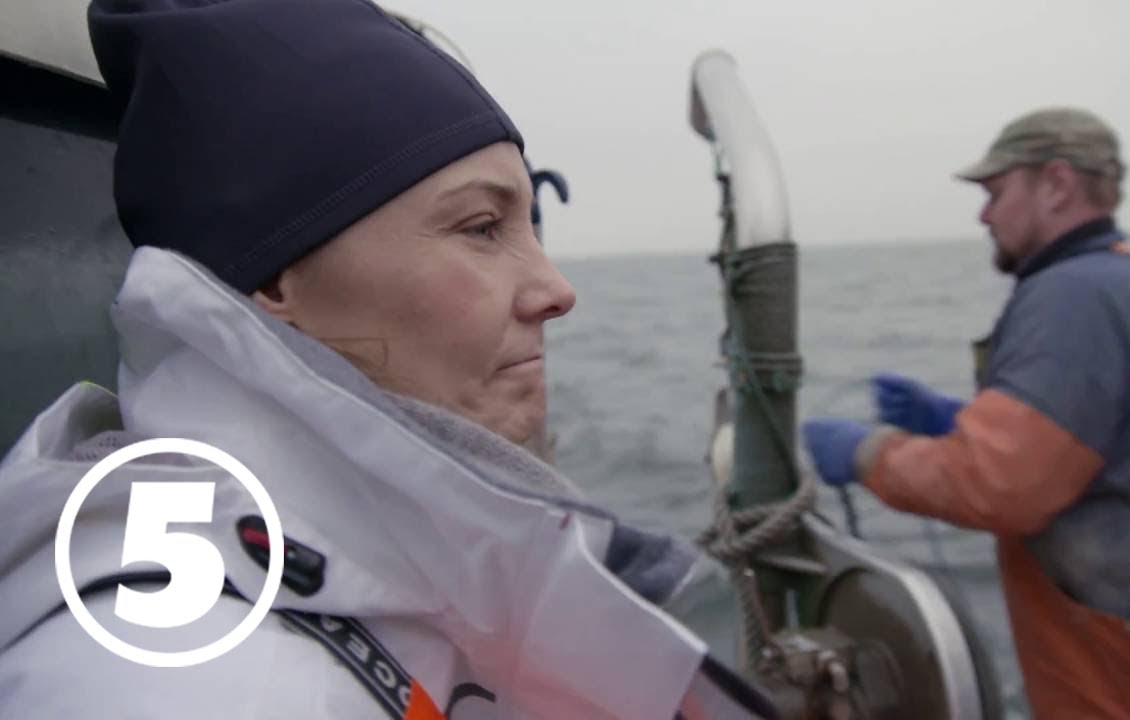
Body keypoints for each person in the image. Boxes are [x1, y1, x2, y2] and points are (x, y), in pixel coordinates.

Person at [0, 1, 776, 718]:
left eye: (529, 226)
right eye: (482, 227)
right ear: (277, 278)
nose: (556, 290)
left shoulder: (376, 573)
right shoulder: (193, 685)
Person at [802, 107, 1130, 719]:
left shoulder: (1074, 293)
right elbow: (1095, 439)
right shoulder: (1118, 279)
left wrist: (866, 453)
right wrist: (951, 422)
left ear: (1056, 184)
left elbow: (1002, 485)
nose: (984, 215)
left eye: (995, 193)